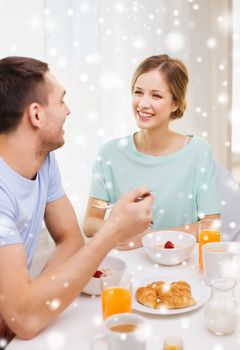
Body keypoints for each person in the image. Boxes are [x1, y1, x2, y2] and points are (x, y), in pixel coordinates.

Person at [0, 56, 153, 343]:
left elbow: (71, 240)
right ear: (36, 114)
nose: (68, 111)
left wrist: (27, 302)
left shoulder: (42, 159)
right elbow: (26, 323)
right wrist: (113, 230)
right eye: (61, 101)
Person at [83, 54, 220, 250]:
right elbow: (90, 221)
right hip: (126, 266)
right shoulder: (109, 154)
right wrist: (118, 233)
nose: (143, 103)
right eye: (139, 92)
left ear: (176, 103)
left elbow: (210, 225)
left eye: (156, 95)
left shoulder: (199, 153)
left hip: (180, 266)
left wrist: (151, 238)